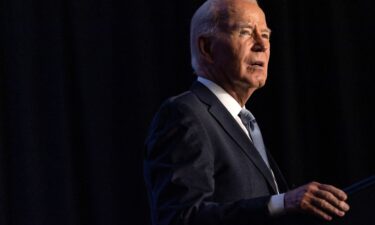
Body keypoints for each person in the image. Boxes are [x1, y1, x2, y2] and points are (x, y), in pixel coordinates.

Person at [143, 0, 350, 224]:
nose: (262, 45)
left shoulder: (244, 122)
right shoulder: (185, 115)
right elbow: (180, 218)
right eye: (245, 32)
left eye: (266, 34)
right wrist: (282, 203)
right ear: (206, 48)